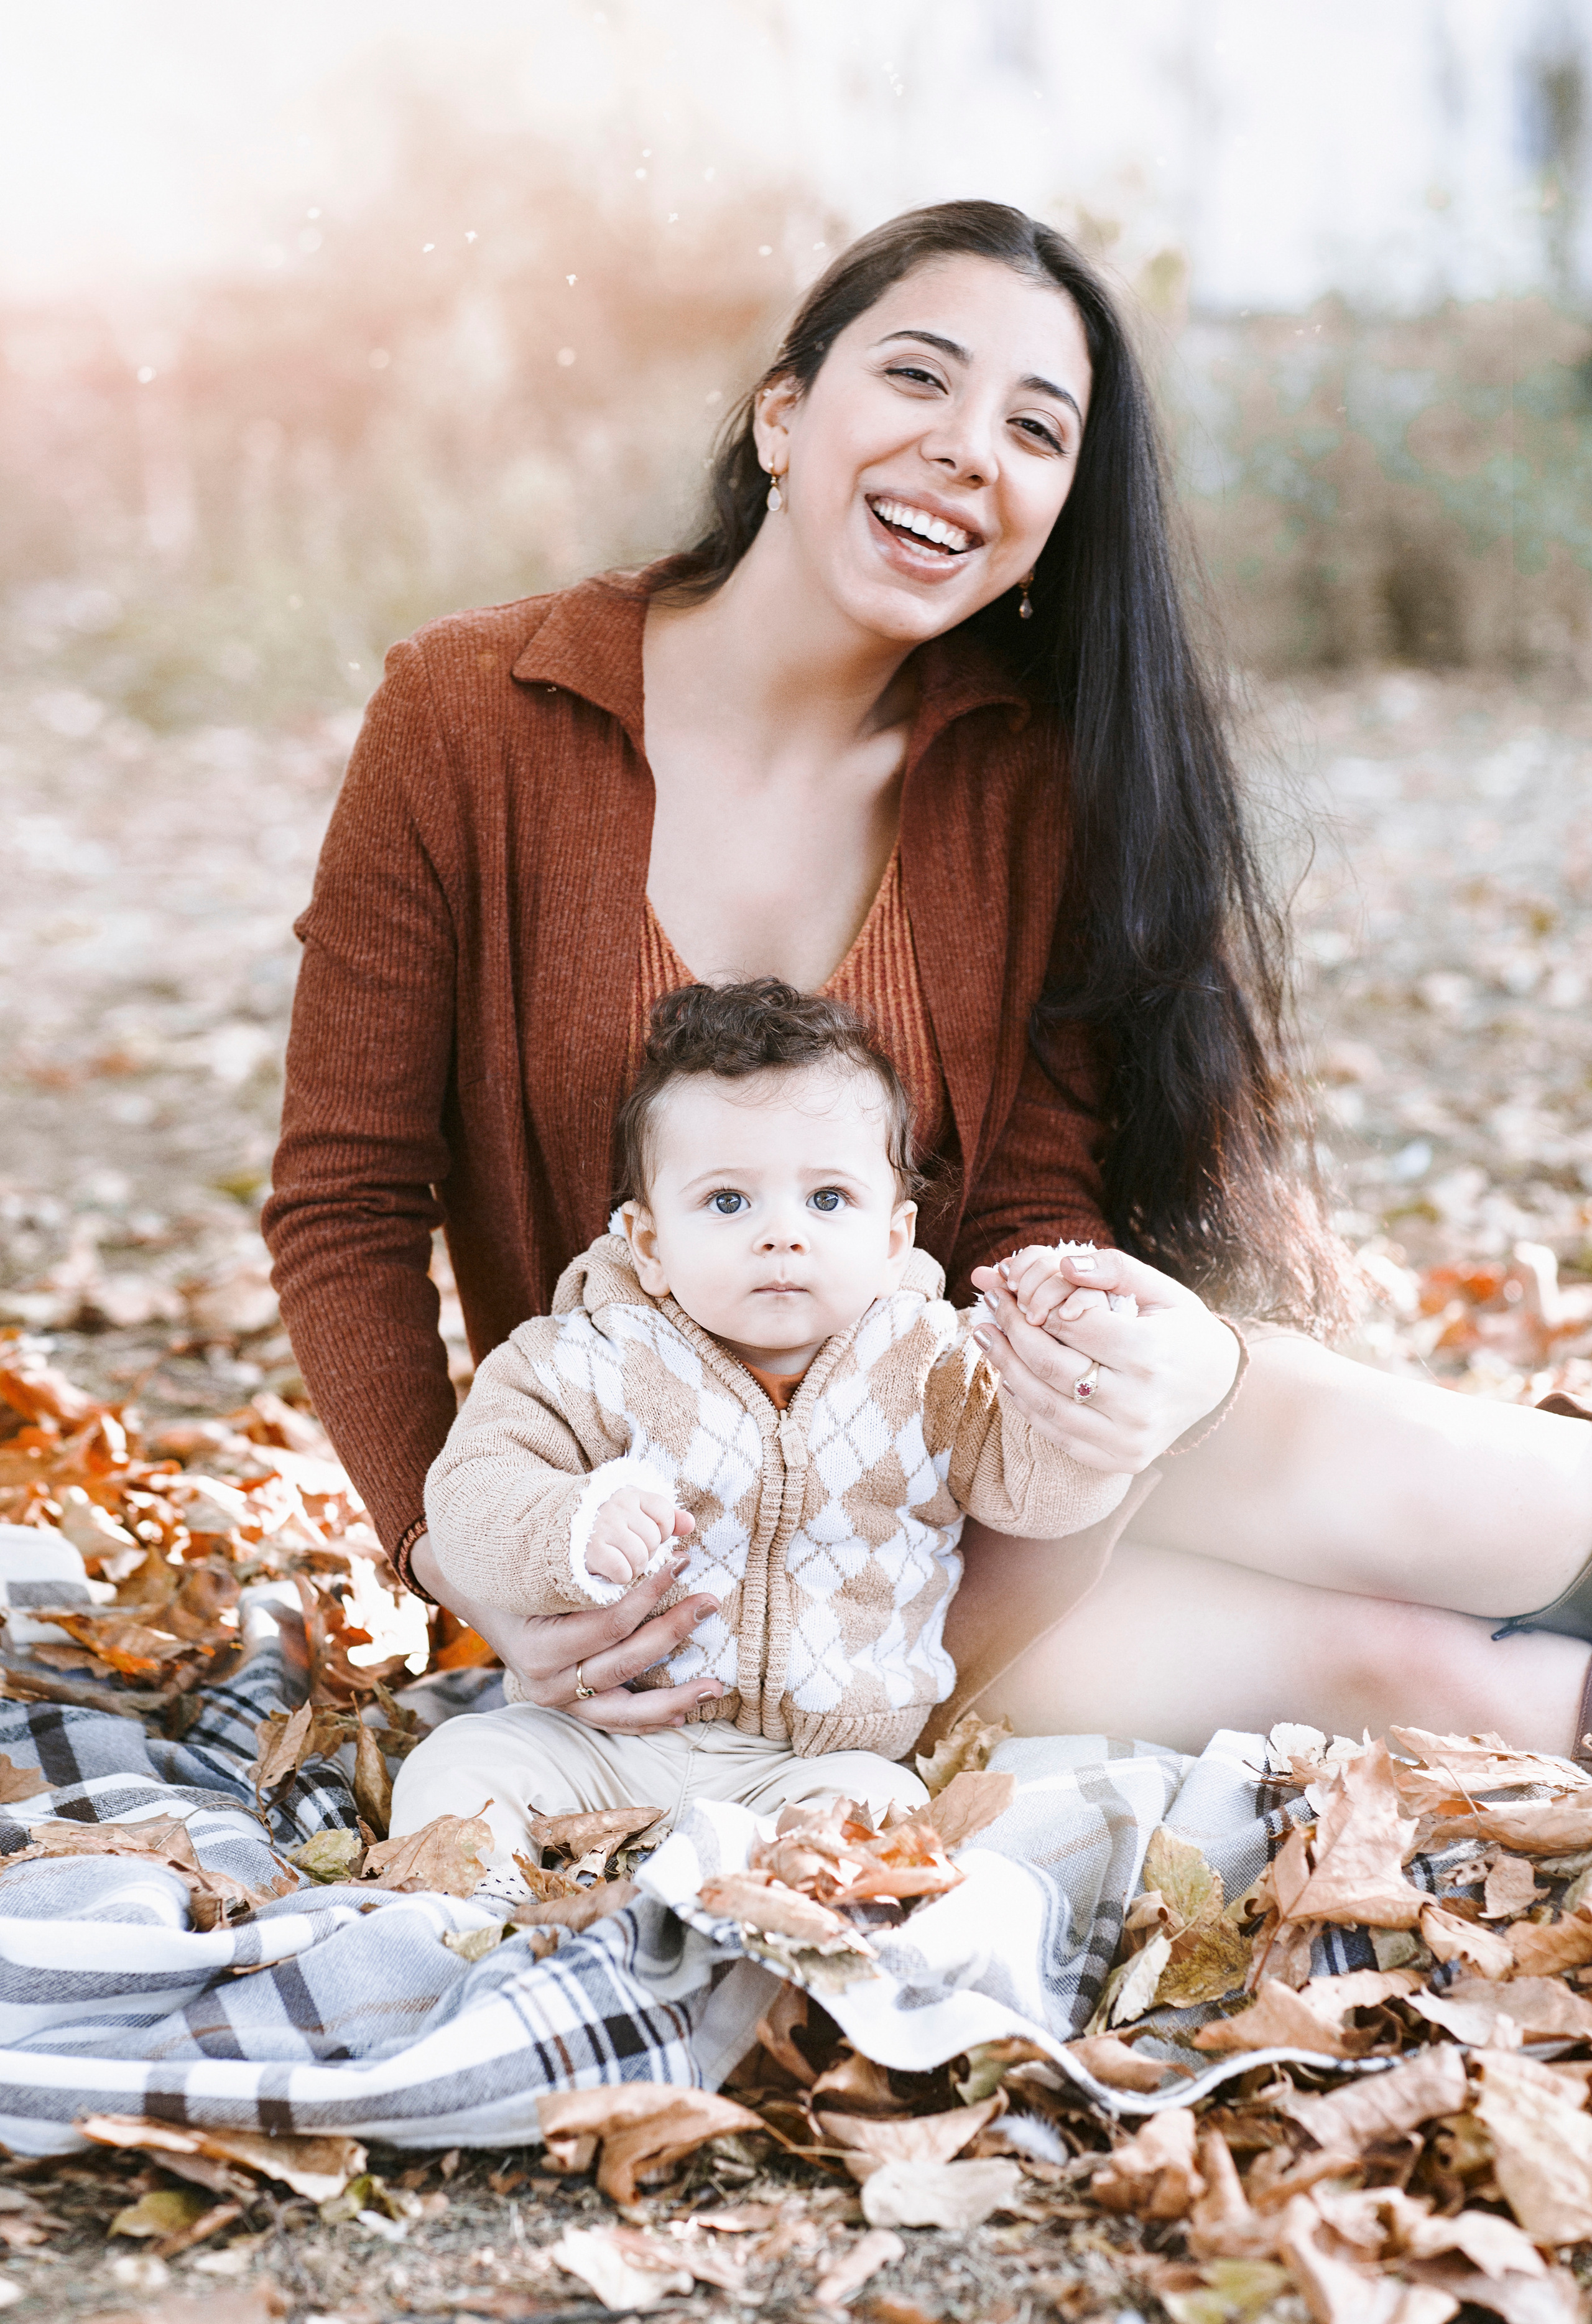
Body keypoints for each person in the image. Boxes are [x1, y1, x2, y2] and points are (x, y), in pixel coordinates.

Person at [263, 198, 1592, 1770]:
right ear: (780, 415)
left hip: (968, 1455)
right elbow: (343, 1200)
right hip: (726, 1582)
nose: (970, 448)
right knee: (1414, 1671)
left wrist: (1092, 1347)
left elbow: (1029, 1202)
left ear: (1055, 512)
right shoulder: (470, 715)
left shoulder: (1029, 776)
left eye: (1036, 427)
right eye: (917, 378)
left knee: (1304, 1427)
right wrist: (453, 1549)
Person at [389, 979, 1157, 1884]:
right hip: (595, 1737)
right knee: (458, 1768)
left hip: (815, 1761)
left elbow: (1042, 1497)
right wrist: (568, 1528)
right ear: (647, 1244)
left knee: (880, 1823)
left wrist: (1081, 1392)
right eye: (727, 1203)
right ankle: (476, 1925)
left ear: (892, 1235)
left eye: (829, 1200)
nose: (782, 1235)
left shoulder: (938, 1366)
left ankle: (768, 1935)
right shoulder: (583, 1358)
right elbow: (471, 1490)